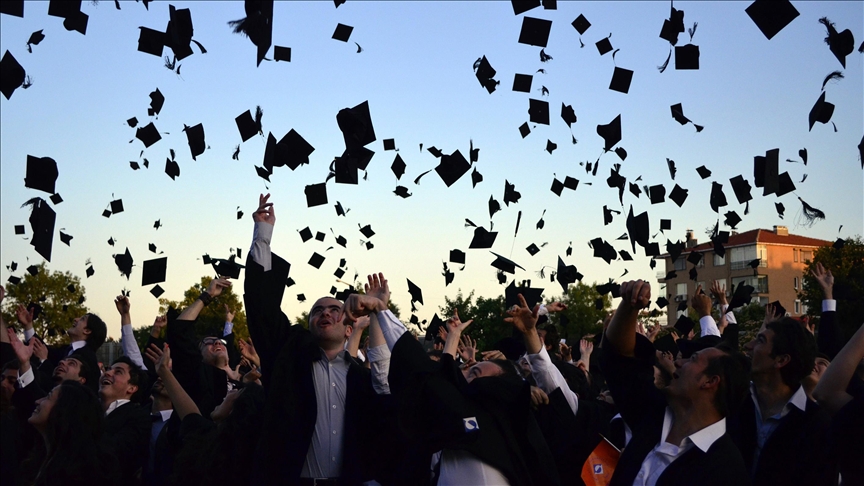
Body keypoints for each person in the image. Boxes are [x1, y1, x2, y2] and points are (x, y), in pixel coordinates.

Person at [342, 275, 560, 485]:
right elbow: (400, 376)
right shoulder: (441, 423)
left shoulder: (501, 429)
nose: (465, 373)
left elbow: (426, 371)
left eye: (475, 373)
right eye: (467, 371)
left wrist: (521, 391)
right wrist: (379, 313)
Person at [243, 194, 392, 485]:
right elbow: (262, 308)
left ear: (349, 328)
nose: (325, 314)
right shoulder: (288, 360)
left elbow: (385, 383)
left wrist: (378, 311)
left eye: (334, 310)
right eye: (317, 311)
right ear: (309, 325)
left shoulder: (362, 379)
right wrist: (263, 236)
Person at [601, 280, 751, 486]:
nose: (678, 362)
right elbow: (620, 357)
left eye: (693, 359)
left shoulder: (725, 469)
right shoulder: (653, 413)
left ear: (710, 381)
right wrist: (630, 305)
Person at [145, 342, 266, 486]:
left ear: (237, 410)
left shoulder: (206, 439)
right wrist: (164, 371)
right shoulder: (253, 458)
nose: (232, 390)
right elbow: (190, 413)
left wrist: (164, 370)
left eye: (237, 391)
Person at [18, 380, 119, 486]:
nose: (38, 401)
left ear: (64, 411)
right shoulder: (37, 461)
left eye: (48, 397)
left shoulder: (80, 475)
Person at [99, 356, 151, 483]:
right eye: (109, 369)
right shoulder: (87, 409)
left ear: (132, 388)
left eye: (118, 372)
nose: (107, 373)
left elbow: (118, 454)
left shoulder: (139, 417)